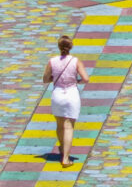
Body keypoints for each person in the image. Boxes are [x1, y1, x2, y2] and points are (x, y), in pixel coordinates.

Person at [43, 35, 89, 167]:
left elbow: (45, 79)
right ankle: (66, 158)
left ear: (59, 47)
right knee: (69, 126)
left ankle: (62, 147)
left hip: (57, 94)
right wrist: (76, 81)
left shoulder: (52, 61)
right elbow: (86, 78)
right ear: (70, 47)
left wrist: (56, 77)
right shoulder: (75, 61)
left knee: (59, 124)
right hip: (71, 94)